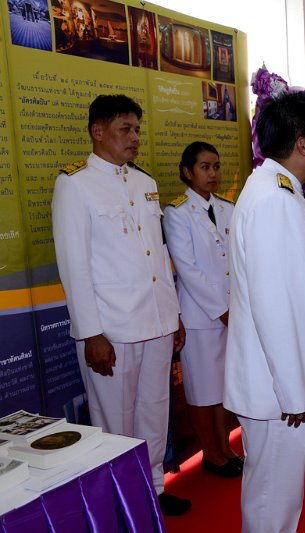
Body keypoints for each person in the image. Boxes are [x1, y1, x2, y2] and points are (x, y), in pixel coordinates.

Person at [51, 94, 190, 516]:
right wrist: (92, 333)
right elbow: (74, 266)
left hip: (156, 320)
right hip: (112, 328)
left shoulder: (144, 182)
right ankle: (121, 501)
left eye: (136, 129)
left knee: (155, 411)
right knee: (115, 420)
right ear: (98, 131)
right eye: (125, 129)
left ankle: (154, 488)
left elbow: (158, 255)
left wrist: (174, 314)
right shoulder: (75, 184)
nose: (134, 137)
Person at [223, 91, 305, 533]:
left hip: (279, 386)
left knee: (277, 497)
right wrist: (294, 392)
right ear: (302, 144)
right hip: (279, 393)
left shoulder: (280, 190)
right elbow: (276, 306)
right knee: (273, 500)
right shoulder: (275, 200)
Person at [163, 142, 242, 478]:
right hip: (200, 317)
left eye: (217, 166)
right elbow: (187, 268)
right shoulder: (177, 213)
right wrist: (222, 310)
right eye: (205, 167)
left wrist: (236, 308)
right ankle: (211, 454)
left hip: (232, 314)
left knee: (224, 388)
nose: (213, 173)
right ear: (188, 171)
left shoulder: (227, 208)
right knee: (201, 391)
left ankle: (225, 447)